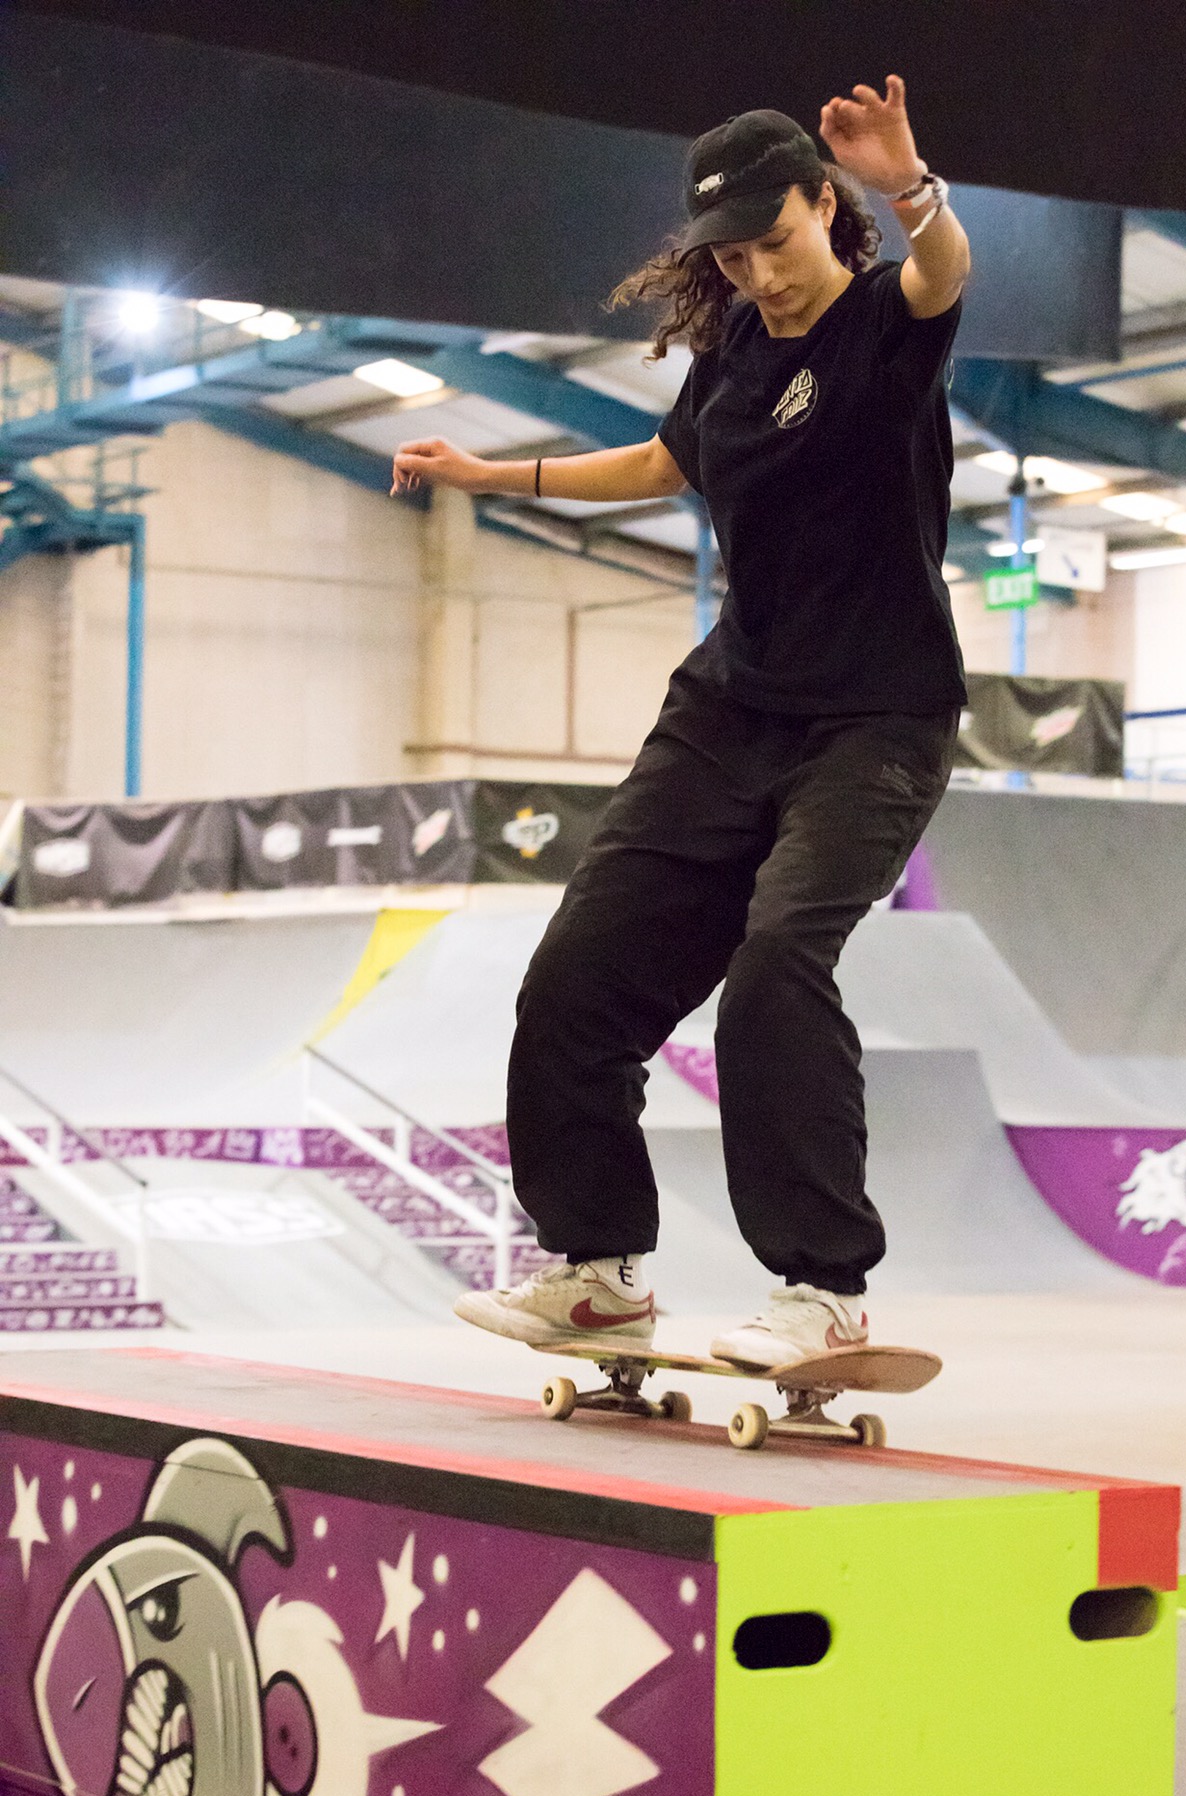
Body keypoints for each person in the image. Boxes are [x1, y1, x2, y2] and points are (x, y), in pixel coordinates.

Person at [392, 81, 971, 1367]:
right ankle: (597, 1271)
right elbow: (664, 463)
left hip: (874, 718)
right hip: (727, 710)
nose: (760, 274)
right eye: (733, 256)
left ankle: (821, 1288)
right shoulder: (736, 350)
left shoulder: (885, 324)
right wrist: (489, 474)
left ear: (822, 205)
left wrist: (909, 185)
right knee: (574, 983)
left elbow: (942, 272)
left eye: (777, 240)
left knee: (774, 968)